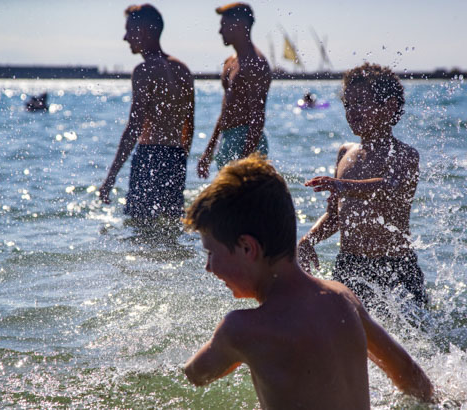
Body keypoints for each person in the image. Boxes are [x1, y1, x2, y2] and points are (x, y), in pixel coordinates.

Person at [183, 154, 434, 408]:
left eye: (211, 253)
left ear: (248, 248)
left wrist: (231, 347)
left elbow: (195, 374)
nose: (208, 267)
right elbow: (411, 377)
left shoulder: (240, 329)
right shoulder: (342, 298)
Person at [298, 63, 428, 309]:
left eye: (360, 103)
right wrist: (309, 239)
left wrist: (341, 184)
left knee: (407, 338)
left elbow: (390, 186)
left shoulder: (404, 155)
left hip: (395, 267)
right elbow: (336, 215)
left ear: (389, 107)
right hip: (349, 265)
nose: (352, 111)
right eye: (348, 104)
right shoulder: (346, 153)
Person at [99, 4, 194, 221]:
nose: (125, 37)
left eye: (130, 30)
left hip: (149, 157)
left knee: (140, 230)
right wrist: (179, 163)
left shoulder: (144, 71)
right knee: (171, 229)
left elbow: (134, 127)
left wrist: (110, 178)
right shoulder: (184, 70)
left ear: (145, 31)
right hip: (176, 157)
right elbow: (189, 125)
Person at [196, 3, 271, 178]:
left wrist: (247, 162)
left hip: (246, 139)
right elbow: (225, 110)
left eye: (224, 25)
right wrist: (209, 152)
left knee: (244, 200)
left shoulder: (255, 63)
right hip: (228, 138)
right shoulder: (230, 61)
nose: (220, 31)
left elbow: (257, 117)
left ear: (239, 25)